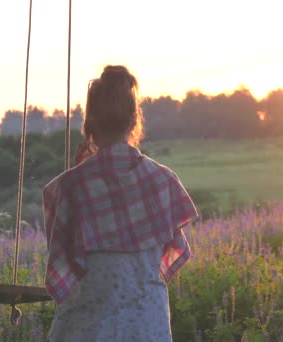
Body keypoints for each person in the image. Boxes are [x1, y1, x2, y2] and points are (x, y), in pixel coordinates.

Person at [43, 65, 198, 341]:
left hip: (87, 330)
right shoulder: (162, 181)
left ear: (89, 125)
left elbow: (62, 265)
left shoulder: (69, 187)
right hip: (148, 329)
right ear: (134, 120)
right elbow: (173, 251)